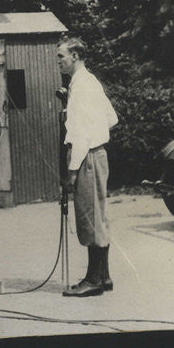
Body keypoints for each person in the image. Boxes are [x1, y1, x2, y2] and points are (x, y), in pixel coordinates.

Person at [57, 36, 119, 297]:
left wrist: (72, 171)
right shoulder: (89, 82)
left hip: (87, 157)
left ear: (75, 56)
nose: (58, 61)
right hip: (97, 154)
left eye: (61, 56)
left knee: (89, 217)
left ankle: (93, 280)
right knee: (98, 216)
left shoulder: (81, 87)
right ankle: (103, 276)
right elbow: (112, 118)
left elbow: (81, 133)